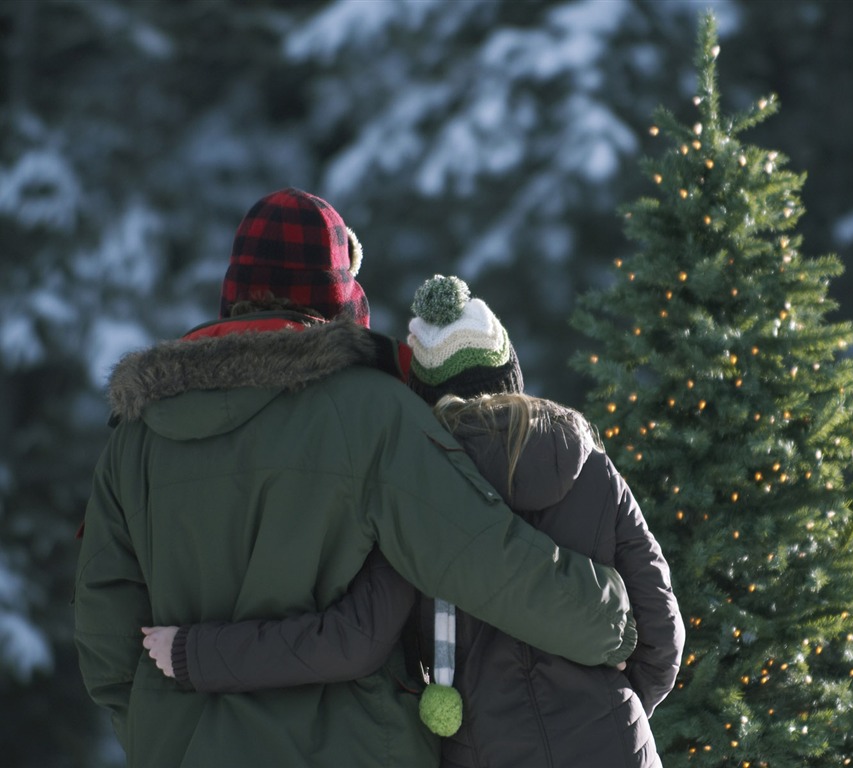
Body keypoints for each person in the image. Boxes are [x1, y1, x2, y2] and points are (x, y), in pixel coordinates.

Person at [73, 189, 637, 768]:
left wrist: (163, 733)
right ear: (337, 292)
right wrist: (610, 623)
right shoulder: (373, 411)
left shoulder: (136, 439)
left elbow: (107, 644)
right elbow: (479, 555)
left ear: (233, 290)